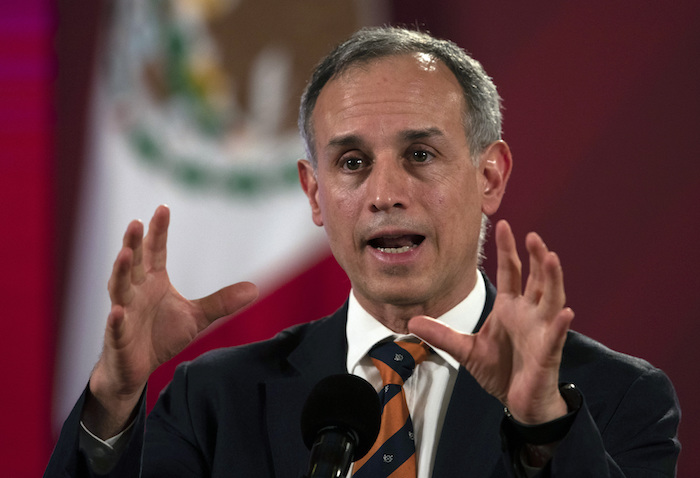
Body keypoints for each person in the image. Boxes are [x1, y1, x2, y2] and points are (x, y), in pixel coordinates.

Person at [45, 26, 680, 477]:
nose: (385, 193)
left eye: (420, 155)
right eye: (352, 163)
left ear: (489, 177)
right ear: (315, 194)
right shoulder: (214, 401)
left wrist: (543, 429)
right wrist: (115, 396)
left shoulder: (614, 398)